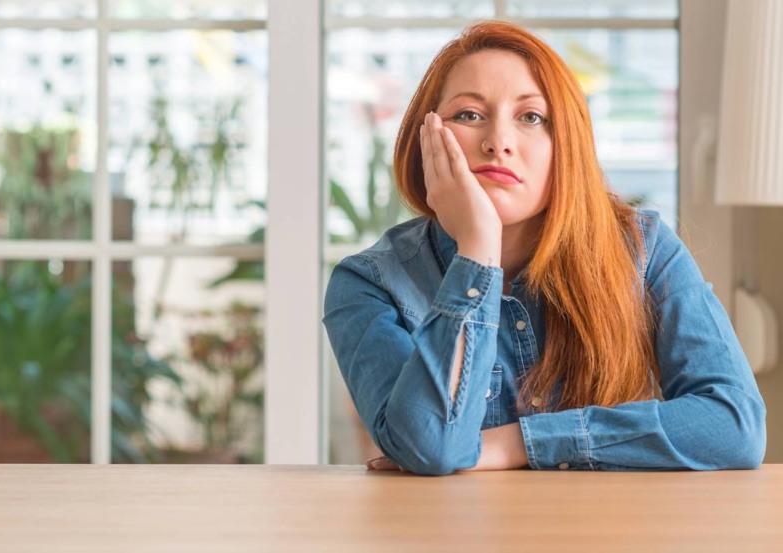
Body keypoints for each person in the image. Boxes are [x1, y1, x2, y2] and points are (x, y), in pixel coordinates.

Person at [322, 20, 766, 475]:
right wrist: (477, 249)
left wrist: (516, 444)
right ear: (426, 138)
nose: (498, 143)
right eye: (469, 115)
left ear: (566, 145)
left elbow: (734, 424)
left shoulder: (645, 248)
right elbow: (430, 447)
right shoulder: (367, 283)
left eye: (531, 117)